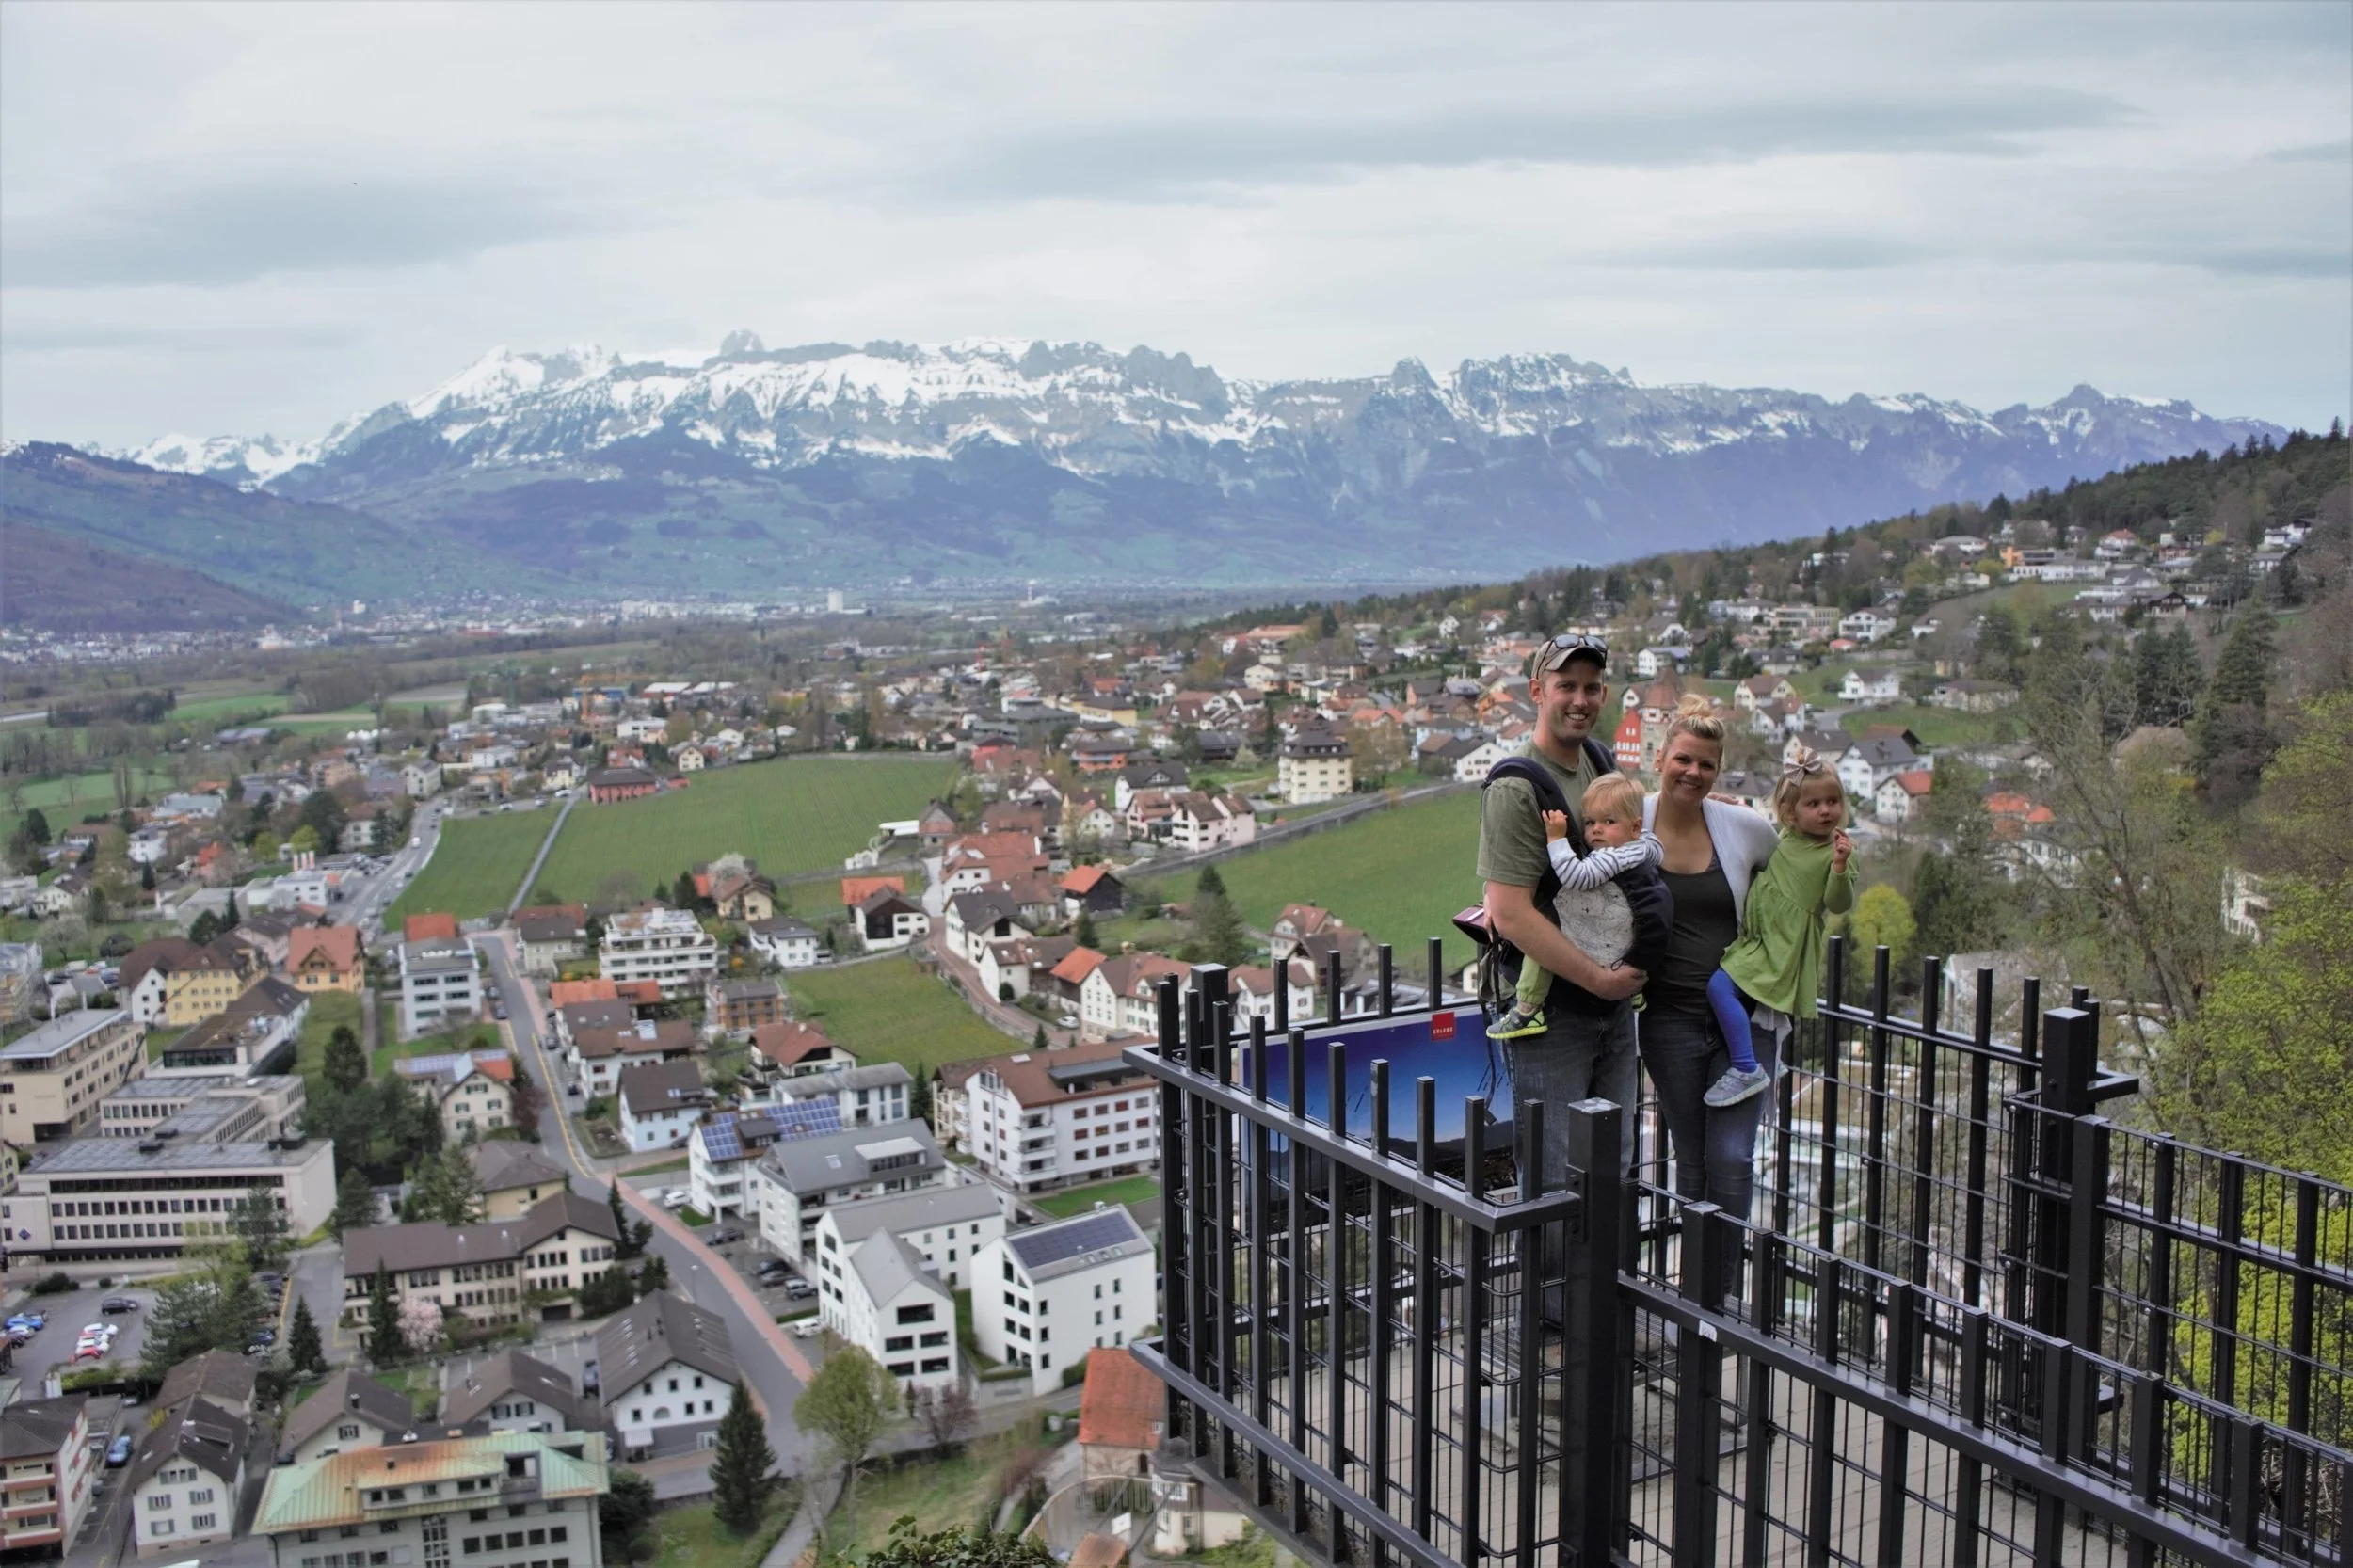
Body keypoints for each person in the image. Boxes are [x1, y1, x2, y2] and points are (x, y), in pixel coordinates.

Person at [1477, 634, 1648, 1177]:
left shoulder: (1598, 763)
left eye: (1592, 687)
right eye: (1566, 686)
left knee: (1614, 1162)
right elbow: (1509, 913)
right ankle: (1554, 1269)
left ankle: (1606, 1267)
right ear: (1536, 691)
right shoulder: (1516, 787)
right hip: (1554, 1016)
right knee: (1553, 1175)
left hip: (1613, 1005)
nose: (1581, 699)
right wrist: (1601, 981)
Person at [1638, 694, 1781, 1298]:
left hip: (1743, 1024)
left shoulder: (1744, 828)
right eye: (1684, 760)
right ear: (1661, 759)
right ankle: (1696, 1293)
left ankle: (1716, 1297)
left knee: (1731, 1158)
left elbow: (1794, 884)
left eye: (1707, 765)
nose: (1694, 773)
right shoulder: (1632, 821)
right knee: (1692, 1164)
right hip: (1669, 1022)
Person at [1702, 747, 1856, 1106]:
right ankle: (1769, 1060)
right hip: (1759, 939)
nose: (1825, 810)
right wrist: (1728, 806)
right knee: (1741, 999)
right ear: (1791, 813)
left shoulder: (1837, 850)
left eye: (1832, 801)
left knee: (1719, 988)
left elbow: (1838, 903)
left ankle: (1746, 1067)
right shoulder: (1789, 839)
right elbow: (1758, 831)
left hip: (1781, 945)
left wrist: (1839, 867)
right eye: (1814, 804)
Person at [1487, 772, 1668, 1040]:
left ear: (1634, 827)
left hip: (1608, 944)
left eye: (1609, 821)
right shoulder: (1645, 845)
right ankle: (1635, 993)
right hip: (1630, 946)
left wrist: (1556, 840)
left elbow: (1576, 877)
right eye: (1590, 821)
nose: (1596, 829)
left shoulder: (1611, 857)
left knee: (1542, 937)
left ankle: (1528, 1008)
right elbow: (1657, 850)